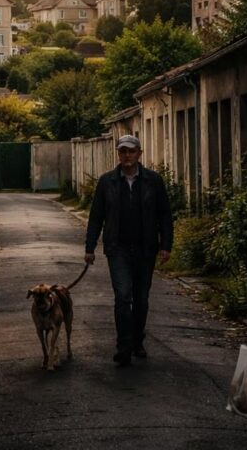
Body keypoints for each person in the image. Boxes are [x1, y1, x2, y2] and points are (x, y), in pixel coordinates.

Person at [85, 134, 173, 367]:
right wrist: (90, 247)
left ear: (139, 154)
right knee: (123, 296)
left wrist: (166, 245)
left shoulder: (153, 181)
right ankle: (123, 345)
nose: (127, 155)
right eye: (123, 151)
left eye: (131, 151)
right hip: (118, 248)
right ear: (119, 154)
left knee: (141, 299)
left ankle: (137, 340)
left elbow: (165, 214)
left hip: (146, 249)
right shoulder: (107, 182)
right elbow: (96, 216)